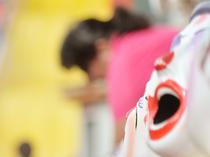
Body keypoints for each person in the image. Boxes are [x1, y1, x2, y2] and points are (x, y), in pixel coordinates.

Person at [60, 7, 178, 143]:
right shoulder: (137, 40)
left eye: (86, 68)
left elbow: (124, 142)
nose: (90, 78)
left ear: (101, 48)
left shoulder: (121, 62)